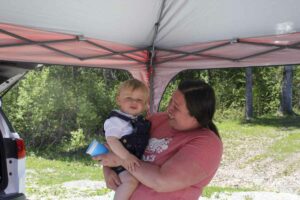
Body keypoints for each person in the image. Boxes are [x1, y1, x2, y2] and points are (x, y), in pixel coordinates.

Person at [94, 79, 223, 200]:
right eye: (170, 101)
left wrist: (121, 160)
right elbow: (114, 144)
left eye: (176, 107)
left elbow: (161, 182)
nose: (169, 109)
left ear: (196, 116)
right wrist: (107, 170)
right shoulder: (157, 120)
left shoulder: (207, 144)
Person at [103, 79, 151, 200]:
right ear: (118, 100)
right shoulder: (115, 121)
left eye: (139, 100)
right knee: (130, 182)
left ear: (146, 104)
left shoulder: (140, 121)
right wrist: (126, 157)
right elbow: (111, 140)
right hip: (122, 161)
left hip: (131, 161)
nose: (134, 101)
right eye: (128, 98)